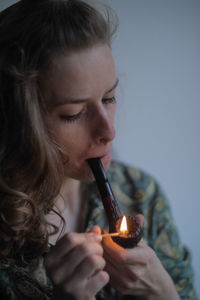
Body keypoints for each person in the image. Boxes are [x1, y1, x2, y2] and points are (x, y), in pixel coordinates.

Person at [0, 0, 197, 299]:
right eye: (74, 113)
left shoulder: (141, 193)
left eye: (109, 98)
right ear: (18, 121)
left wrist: (163, 292)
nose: (109, 131)